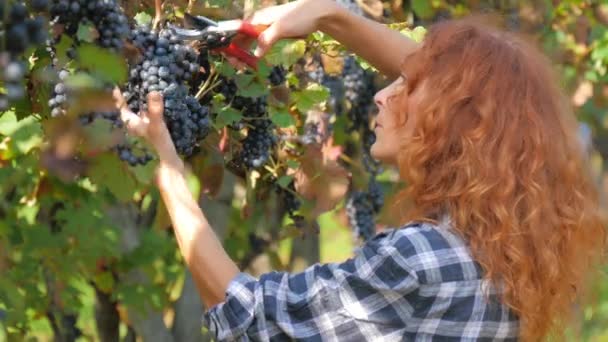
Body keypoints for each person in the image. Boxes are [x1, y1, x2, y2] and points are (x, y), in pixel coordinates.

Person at [113, 0, 606, 340]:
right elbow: (475, 97)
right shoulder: (503, 246)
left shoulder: (419, 257)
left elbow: (250, 313)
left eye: (405, 87)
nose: (380, 93)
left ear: (456, 123)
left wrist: (170, 172)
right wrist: (329, 16)